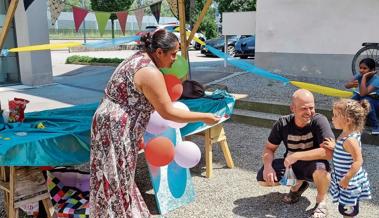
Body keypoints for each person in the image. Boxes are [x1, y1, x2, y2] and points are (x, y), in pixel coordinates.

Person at [90, 29, 220, 218]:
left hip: (105, 122)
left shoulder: (137, 58)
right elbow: (168, 111)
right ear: (159, 52)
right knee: (117, 178)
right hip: (117, 128)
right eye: (173, 54)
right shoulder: (150, 72)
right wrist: (203, 117)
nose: (175, 59)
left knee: (109, 176)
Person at [256, 89, 334, 218]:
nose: (309, 112)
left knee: (322, 170)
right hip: (291, 165)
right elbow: (269, 148)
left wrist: (296, 155)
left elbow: (328, 153)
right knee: (263, 179)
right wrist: (268, 167)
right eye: (304, 108)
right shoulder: (282, 123)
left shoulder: (320, 120)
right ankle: (298, 185)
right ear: (292, 108)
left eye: (311, 107)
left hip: (312, 165)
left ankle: (321, 201)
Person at [322, 99, 371, 217]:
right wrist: (336, 147)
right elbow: (345, 150)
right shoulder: (347, 132)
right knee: (345, 208)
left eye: (335, 115)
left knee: (348, 211)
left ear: (348, 120)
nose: (332, 118)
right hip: (345, 179)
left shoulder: (350, 140)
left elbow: (359, 161)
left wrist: (347, 178)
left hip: (349, 183)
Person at [345, 58, 379, 134]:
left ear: (372, 70)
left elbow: (363, 93)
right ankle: (351, 122)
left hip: (375, 102)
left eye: (364, 68)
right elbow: (346, 85)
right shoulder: (359, 75)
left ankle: (376, 126)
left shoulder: (377, 80)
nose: (361, 70)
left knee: (366, 101)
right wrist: (350, 84)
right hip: (365, 97)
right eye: (360, 68)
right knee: (351, 101)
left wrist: (364, 77)